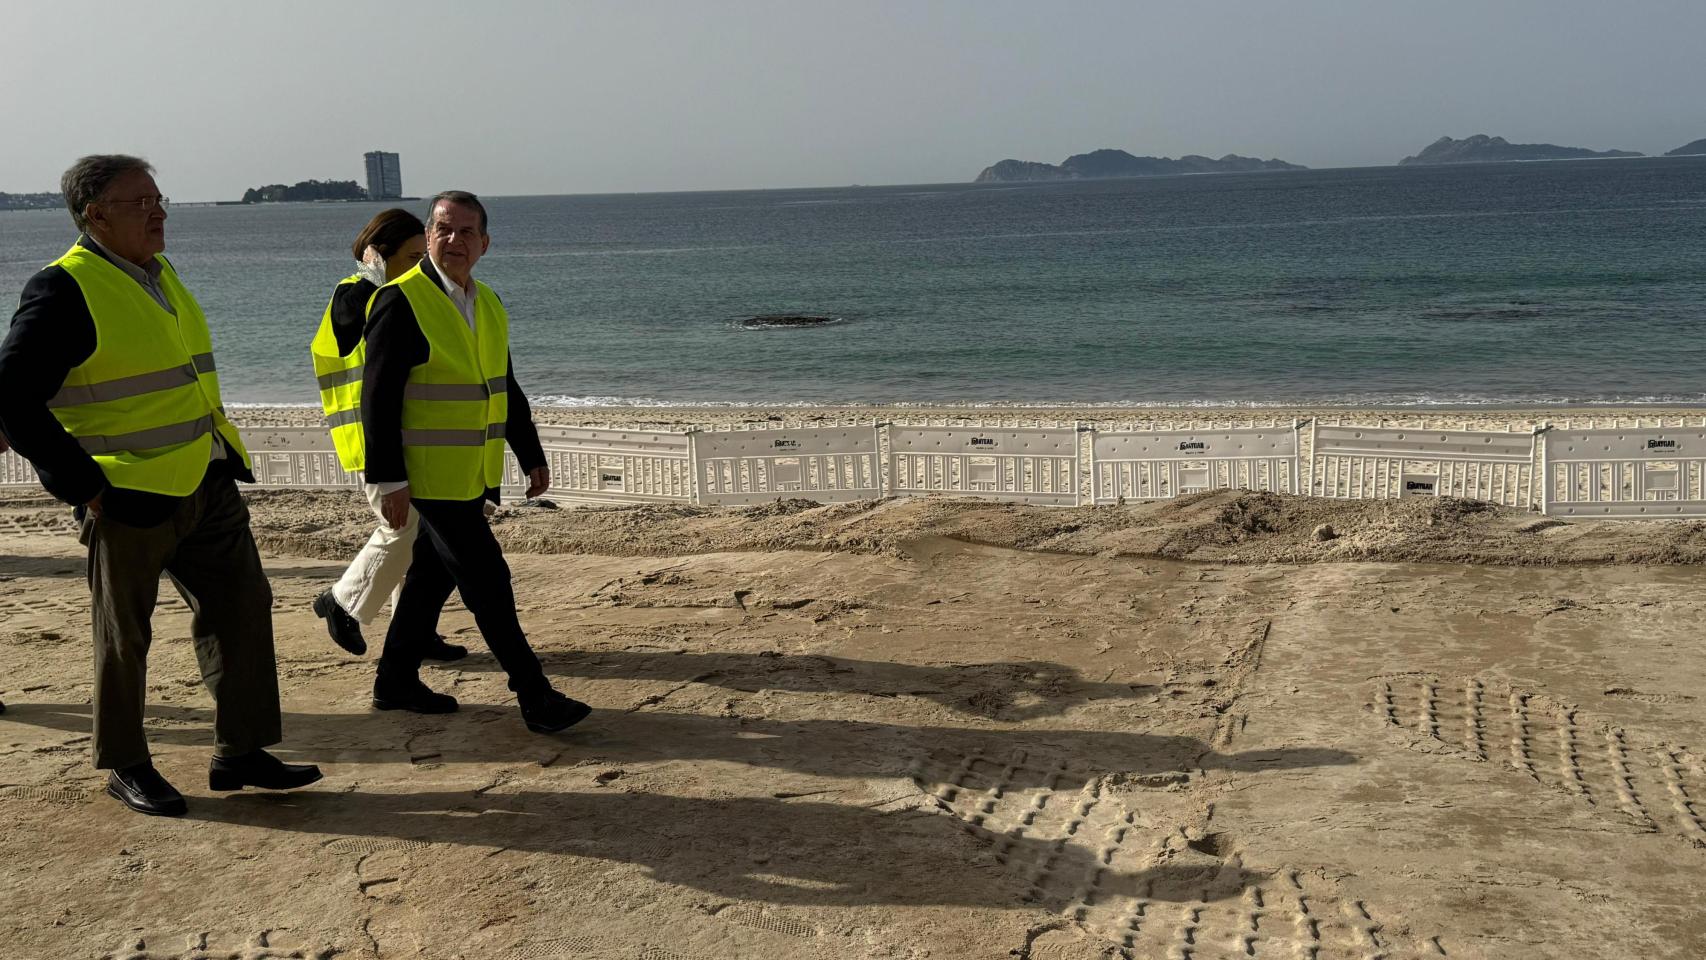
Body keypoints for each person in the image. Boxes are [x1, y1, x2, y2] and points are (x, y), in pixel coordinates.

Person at [0, 155, 321, 816]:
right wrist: (83, 485)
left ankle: (241, 751)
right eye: (138, 202)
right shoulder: (64, 288)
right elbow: (12, 398)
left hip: (206, 477)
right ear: (93, 216)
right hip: (126, 497)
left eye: (158, 198)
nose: (158, 212)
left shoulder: (158, 273)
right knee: (125, 638)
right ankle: (125, 763)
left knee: (243, 609)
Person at [360, 190, 589, 733]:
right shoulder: (400, 301)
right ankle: (533, 694)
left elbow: (502, 386)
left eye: (465, 232)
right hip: (427, 478)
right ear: (428, 236)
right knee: (489, 580)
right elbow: (378, 399)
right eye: (442, 230)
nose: (453, 241)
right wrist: (388, 479)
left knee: (430, 579)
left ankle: (394, 681)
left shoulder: (487, 302)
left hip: (473, 474)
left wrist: (529, 453)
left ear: (484, 243)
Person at [309, 209, 466, 664]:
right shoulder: (356, 295)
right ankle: (342, 601)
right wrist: (375, 281)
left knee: (418, 545)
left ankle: (413, 631)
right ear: (378, 255)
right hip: (376, 442)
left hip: (409, 436)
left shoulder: (398, 294)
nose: (424, 265)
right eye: (414, 256)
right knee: (402, 529)